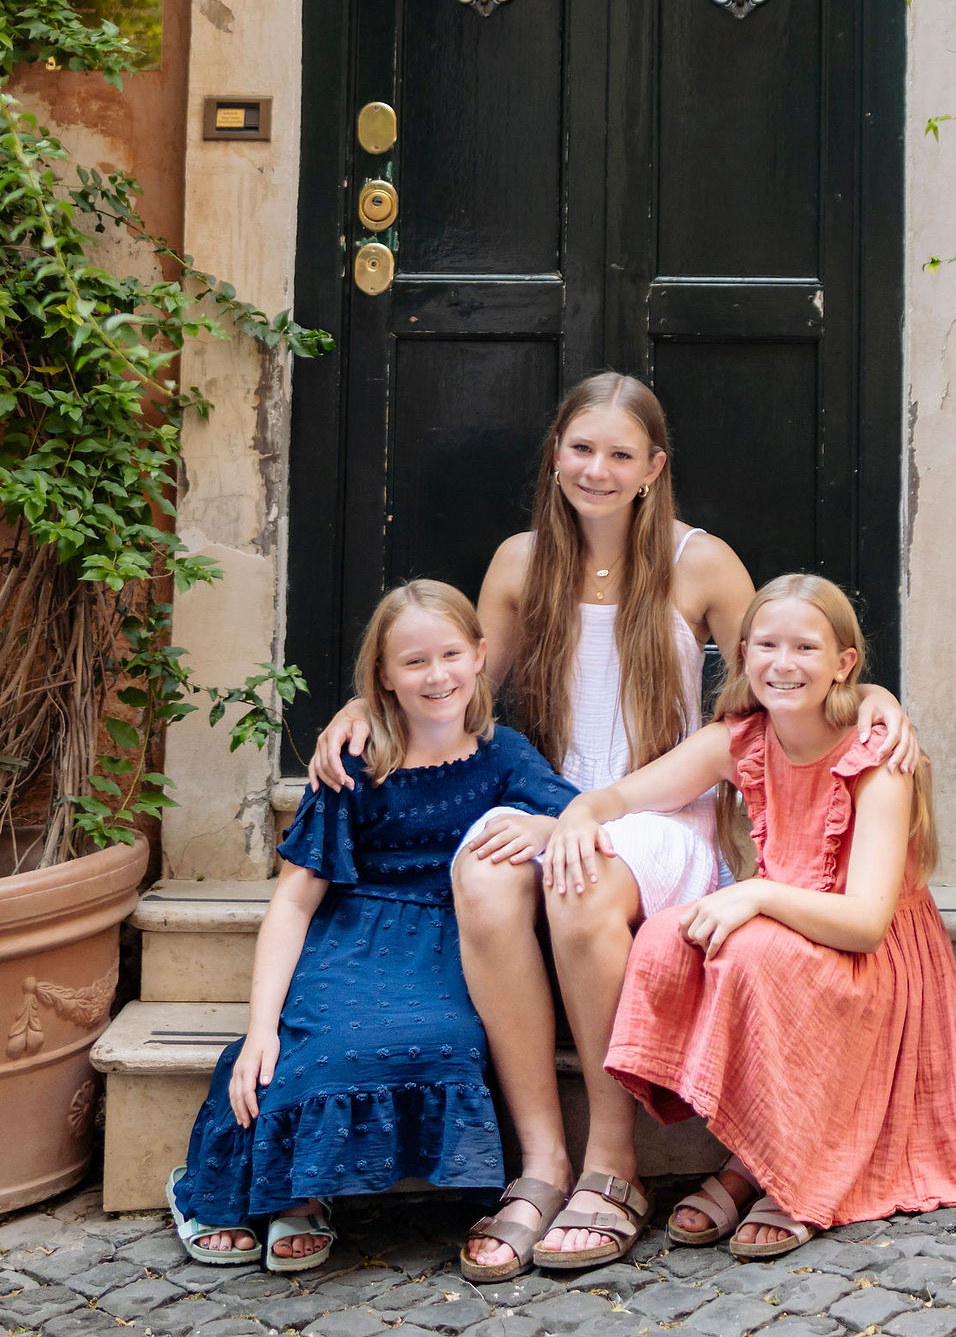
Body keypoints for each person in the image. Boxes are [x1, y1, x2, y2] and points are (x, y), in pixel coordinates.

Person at [304, 376, 916, 1279]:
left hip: (660, 813)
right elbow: (459, 691)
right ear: (555, 453)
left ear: (652, 469)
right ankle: (544, 1162)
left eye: (621, 454)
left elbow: (785, 665)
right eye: (582, 448)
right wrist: (363, 709)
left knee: (579, 874)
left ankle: (613, 1164)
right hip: (550, 800)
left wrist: (880, 700)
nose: (598, 468)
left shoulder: (701, 563)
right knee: (480, 869)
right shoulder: (518, 564)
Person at [549, 572, 956, 1257]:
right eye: (767, 644)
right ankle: (750, 1156)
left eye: (805, 647)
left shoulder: (877, 760)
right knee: (663, 938)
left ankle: (786, 1170)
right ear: (742, 654)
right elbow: (622, 797)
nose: (783, 663)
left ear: (844, 663)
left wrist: (757, 893)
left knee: (745, 950)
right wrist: (579, 813)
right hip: (787, 932)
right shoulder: (740, 739)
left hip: (869, 955)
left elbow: (864, 921)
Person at [168, 579, 575, 1273]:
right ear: (383, 675)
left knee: (446, 1040)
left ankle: (326, 1180)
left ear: (480, 656)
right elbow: (294, 902)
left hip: (452, 942)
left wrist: (542, 825)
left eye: (450, 654)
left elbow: (575, 819)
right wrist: (261, 1025)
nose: (436, 675)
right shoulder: (355, 762)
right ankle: (276, 1194)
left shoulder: (504, 756)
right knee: (314, 1046)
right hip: (352, 934)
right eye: (413, 662)